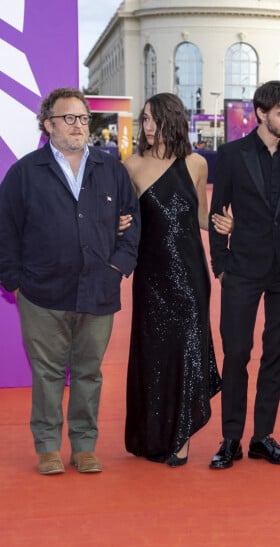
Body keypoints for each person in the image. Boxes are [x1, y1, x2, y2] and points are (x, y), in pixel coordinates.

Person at [0, 87, 140, 475]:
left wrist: (118, 266)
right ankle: (47, 447)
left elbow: (132, 221)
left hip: (98, 289)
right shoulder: (25, 173)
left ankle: (83, 446)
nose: (78, 126)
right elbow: (5, 232)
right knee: (46, 374)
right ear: (48, 124)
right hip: (42, 293)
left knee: (88, 373)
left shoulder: (111, 169)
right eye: (68, 118)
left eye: (82, 118)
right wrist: (13, 282)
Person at [123, 93, 231, 467]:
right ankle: (152, 434)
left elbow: (201, 216)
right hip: (150, 275)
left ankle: (181, 436)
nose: (147, 127)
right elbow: (127, 220)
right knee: (154, 354)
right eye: (144, 120)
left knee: (187, 350)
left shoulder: (196, 163)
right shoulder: (132, 165)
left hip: (189, 274)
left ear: (172, 120)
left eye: (153, 119)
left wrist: (225, 225)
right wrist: (118, 223)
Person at [208, 80, 280, 469]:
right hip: (242, 270)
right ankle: (230, 438)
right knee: (236, 353)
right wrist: (221, 266)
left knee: (276, 356)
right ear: (262, 113)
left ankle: (262, 436)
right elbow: (219, 213)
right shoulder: (232, 154)